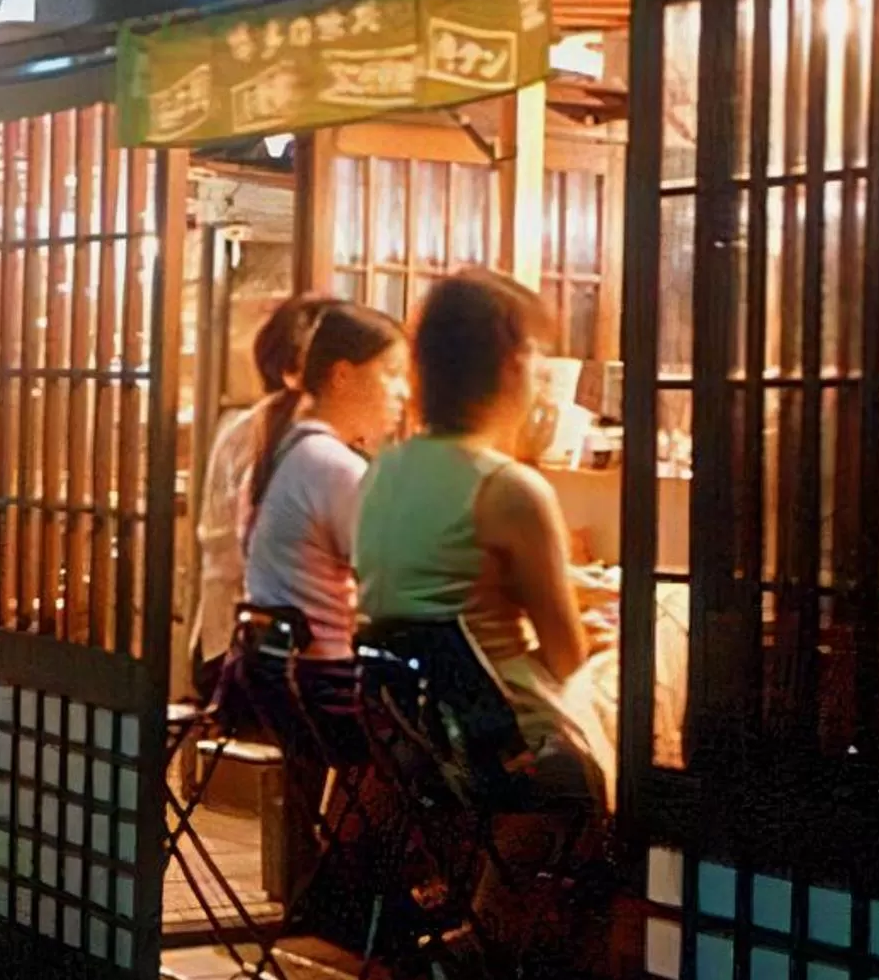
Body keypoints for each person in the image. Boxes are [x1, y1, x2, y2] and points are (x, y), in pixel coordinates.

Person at [355, 269, 612, 816]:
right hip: (499, 736)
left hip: (411, 728)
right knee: (633, 674)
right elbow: (565, 657)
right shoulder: (509, 489)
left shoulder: (382, 470)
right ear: (511, 363)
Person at [237, 303, 410, 846]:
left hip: (278, 679)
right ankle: (373, 887)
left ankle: (353, 882)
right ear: (343, 374)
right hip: (326, 689)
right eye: (392, 372)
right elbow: (396, 580)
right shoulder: (333, 466)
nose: (402, 392)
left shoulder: (293, 448)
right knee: (457, 748)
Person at [189, 295, 329, 698]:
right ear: (293, 370)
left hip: (221, 639)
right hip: (253, 651)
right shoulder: (284, 434)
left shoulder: (244, 425)